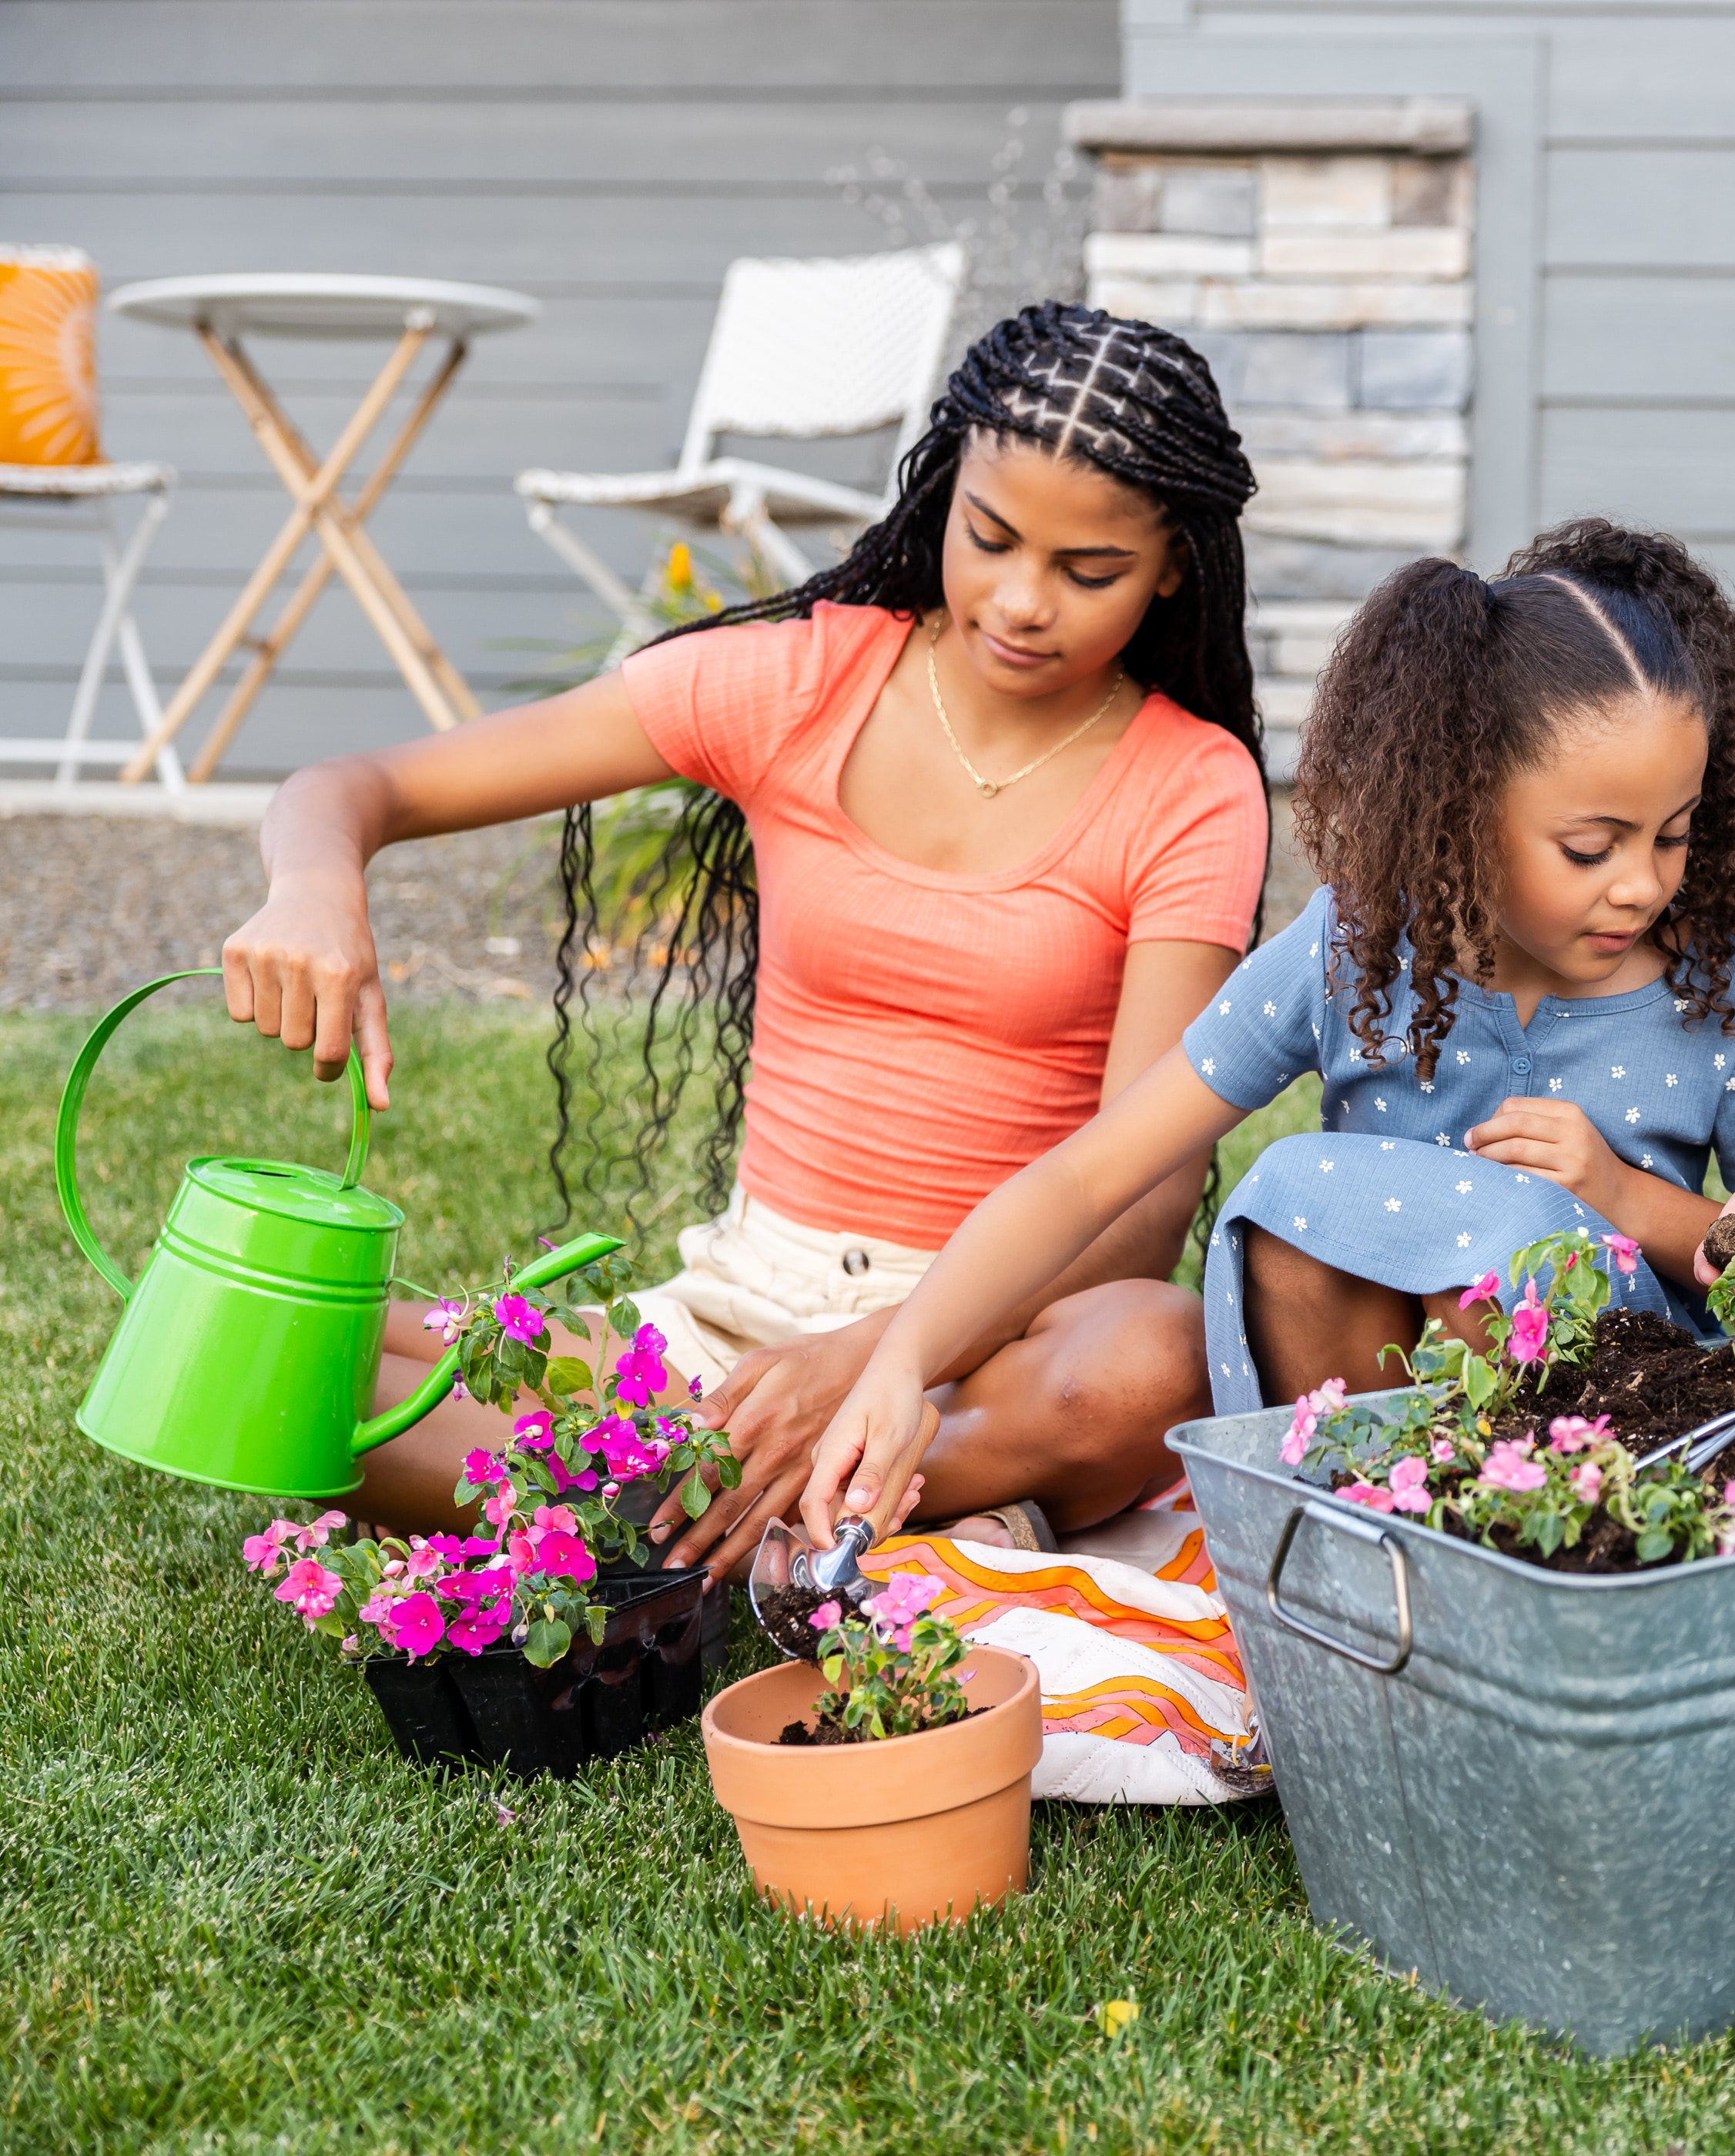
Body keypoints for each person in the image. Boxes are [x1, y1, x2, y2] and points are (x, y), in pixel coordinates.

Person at [217, 303, 1271, 1575]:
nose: (1020, 601)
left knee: (1153, 1356)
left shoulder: (1191, 787)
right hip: (726, 1326)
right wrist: (313, 883)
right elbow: (360, 785)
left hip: (993, 1347)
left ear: (1172, 569)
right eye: (988, 537)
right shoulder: (799, 685)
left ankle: (671, 1512)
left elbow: (1140, 1203)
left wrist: (880, 1359)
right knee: (274, 1347)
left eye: (1087, 572)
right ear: (945, 491)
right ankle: (827, 1525)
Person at [782, 518, 1735, 1545]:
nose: (1642, 884)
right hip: (1362, 1423)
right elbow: (1089, 1178)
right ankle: (1361, 1532)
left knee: (1508, 1247)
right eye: (1592, 848)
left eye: (1673, 835)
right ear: (1461, 810)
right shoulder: (1360, 949)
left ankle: (1507, 1558)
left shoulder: (1730, 992)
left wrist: (1623, 1198)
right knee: (1298, 1195)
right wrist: (900, 1360)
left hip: (1624, 1451)